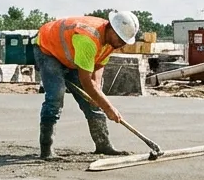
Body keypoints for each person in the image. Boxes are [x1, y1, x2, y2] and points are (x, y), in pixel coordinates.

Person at [33, 11, 141, 160]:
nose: (122, 44)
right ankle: (46, 149)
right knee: (56, 95)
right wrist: (108, 108)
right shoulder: (88, 39)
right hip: (48, 49)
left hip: (71, 55)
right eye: (121, 39)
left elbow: (97, 69)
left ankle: (103, 144)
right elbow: (85, 80)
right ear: (111, 28)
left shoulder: (111, 42)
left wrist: (98, 96)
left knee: (95, 100)